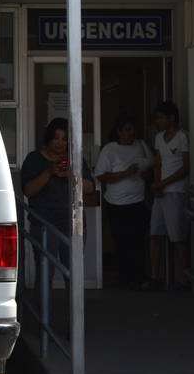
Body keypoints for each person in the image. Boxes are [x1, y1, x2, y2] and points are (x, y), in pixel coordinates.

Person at [20, 118, 95, 288]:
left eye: (64, 139)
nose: (60, 143)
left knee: (74, 273)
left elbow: (90, 188)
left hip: (73, 224)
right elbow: (28, 190)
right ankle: (43, 306)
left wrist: (72, 175)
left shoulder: (75, 159)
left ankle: (73, 307)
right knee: (45, 272)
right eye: (56, 138)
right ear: (49, 138)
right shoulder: (34, 159)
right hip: (44, 224)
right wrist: (49, 172)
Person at [94, 114, 152, 290]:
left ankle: (138, 277)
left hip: (138, 202)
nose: (131, 133)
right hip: (117, 204)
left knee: (138, 241)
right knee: (121, 241)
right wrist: (126, 173)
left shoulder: (140, 145)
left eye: (133, 129)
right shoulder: (110, 149)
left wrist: (145, 174)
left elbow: (152, 167)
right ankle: (124, 279)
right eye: (127, 129)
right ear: (119, 131)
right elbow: (101, 175)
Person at [149, 101, 191, 292]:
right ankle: (155, 277)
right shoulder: (159, 137)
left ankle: (185, 279)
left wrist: (164, 183)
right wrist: (157, 183)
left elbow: (186, 167)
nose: (158, 121)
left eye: (161, 118)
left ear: (171, 118)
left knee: (178, 237)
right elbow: (158, 162)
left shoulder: (182, 137)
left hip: (176, 191)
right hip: (161, 192)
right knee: (155, 234)